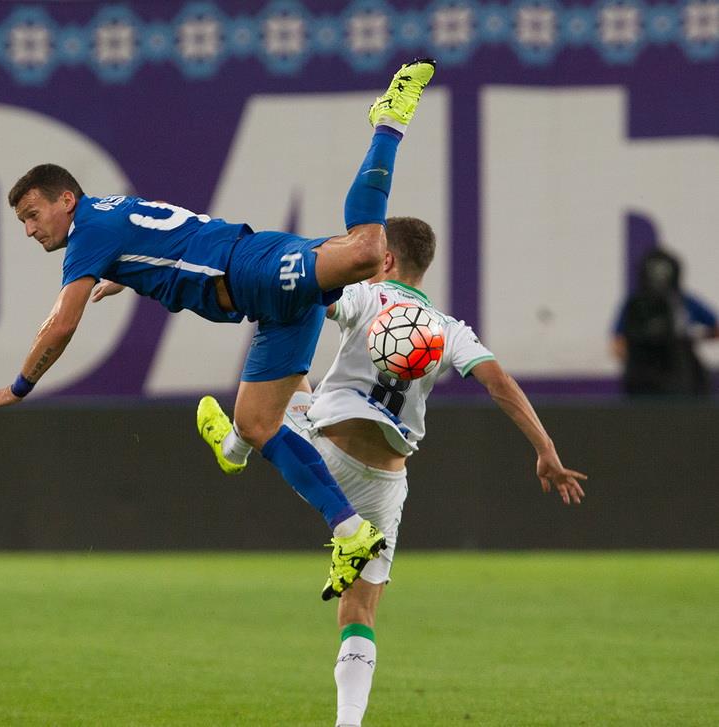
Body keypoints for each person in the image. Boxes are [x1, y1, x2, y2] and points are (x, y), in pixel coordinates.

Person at [0, 59, 437, 595]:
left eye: (32, 214)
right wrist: (128, 274)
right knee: (257, 425)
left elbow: (61, 323)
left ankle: (388, 121)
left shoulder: (88, 232)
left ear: (66, 200)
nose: (29, 229)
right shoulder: (108, 215)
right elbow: (167, 235)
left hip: (250, 267)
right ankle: (349, 531)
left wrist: (19, 386)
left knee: (367, 253)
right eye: (23, 221)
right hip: (265, 299)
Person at [198, 216, 587, 727]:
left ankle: (235, 447)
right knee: (359, 614)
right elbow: (500, 384)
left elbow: (302, 294)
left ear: (385, 258)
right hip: (385, 479)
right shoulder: (449, 330)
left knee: (288, 372)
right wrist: (546, 449)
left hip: (325, 451)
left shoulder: (364, 296)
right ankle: (349, 723)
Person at [611, 247, 718, 396]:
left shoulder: (683, 301)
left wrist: (689, 339)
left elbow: (715, 329)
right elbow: (618, 345)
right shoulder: (636, 305)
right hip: (643, 375)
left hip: (679, 371)